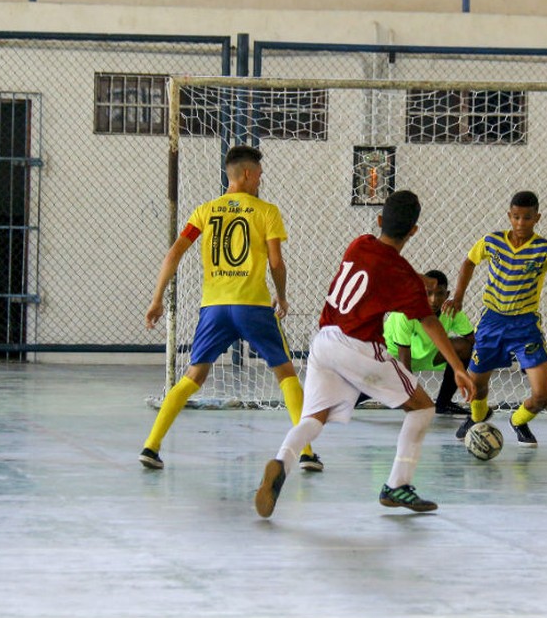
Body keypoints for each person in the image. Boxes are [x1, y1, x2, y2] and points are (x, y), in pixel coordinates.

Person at [254, 190, 475, 518]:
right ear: (414, 230)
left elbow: (387, 268)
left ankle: (282, 462)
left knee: (314, 418)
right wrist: (457, 367)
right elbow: (429, 321)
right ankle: (396, 485)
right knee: (423, 409)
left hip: (324, 341)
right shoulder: (403, 278)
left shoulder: (359, 243)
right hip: (358, 347)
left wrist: (419, 279)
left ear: (379, 220)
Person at [141, 145, 320, 471]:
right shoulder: (266, 212)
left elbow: (174, 254)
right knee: (286, 373)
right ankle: (306, 452)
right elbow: (276, 262)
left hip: (214, 308)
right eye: (260, 175)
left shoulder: (204, 211)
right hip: (252, 306)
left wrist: (156, 299)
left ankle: (151, 447)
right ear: (249, 174)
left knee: (193, 375)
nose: (261, 180)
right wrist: (281, 296)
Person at [444, 190, 547, 448]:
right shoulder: (492, 241)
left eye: (527, 218)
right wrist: (459, 296)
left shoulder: (545, 250)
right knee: (476, 387)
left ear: (537, 218)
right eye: (516, 217)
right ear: (509, 216)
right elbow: (469, 262)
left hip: (525, 326)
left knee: (543, 395)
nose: (520, 223)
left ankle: (518, 421)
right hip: (492, 323)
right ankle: (478, 417)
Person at [384, 269, 474, 416]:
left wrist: (477, 377)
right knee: (370, 387)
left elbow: (473, 342)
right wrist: (415, 400)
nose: (434, 300)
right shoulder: (405, 313)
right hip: (395, 358)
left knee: (465, 347)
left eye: (440, 294)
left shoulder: (451, 311)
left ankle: (443, 404)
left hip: (429, 355)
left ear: (447, 295)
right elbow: (404, 358)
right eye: (428, 293)